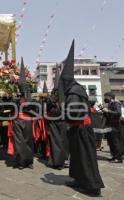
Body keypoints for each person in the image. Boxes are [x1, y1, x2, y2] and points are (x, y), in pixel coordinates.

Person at [60, 40, 104, 197]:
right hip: (78, 129)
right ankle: (79, 179)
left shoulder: (74, 92)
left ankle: (92, 186)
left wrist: (63, 113)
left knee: (85, 158)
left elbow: (75, 112)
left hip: (81, 129)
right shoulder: (77, 89)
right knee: (77, 157)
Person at [7, 57, 34, 169]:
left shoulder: (30, 98)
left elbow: (35, 109)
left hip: (26, 120)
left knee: (28, 141)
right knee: (19, 141)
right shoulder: (16, 97)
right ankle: (20, 161)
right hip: (18, 120)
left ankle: (28, 161)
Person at [45, 66, 69, 169]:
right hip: (56, 122)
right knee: (58, 142)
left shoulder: (65, 96)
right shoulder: (53, 97)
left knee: (60, 142)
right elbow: (49, 104)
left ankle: (61, 162)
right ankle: (58, 161)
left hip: (60, 122)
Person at [102, 92, 123, 163]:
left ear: (110, 97)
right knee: (111, 142)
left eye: (106, 97)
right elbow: (108, 115)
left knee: (115, 142)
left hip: (115, 125)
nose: (105, 98)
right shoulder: (111, 104)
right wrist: (103, 110)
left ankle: (118, 158)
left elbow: (118, 113)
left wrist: (108, 110)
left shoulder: (116, 103)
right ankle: (114, 156)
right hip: (110, 125)